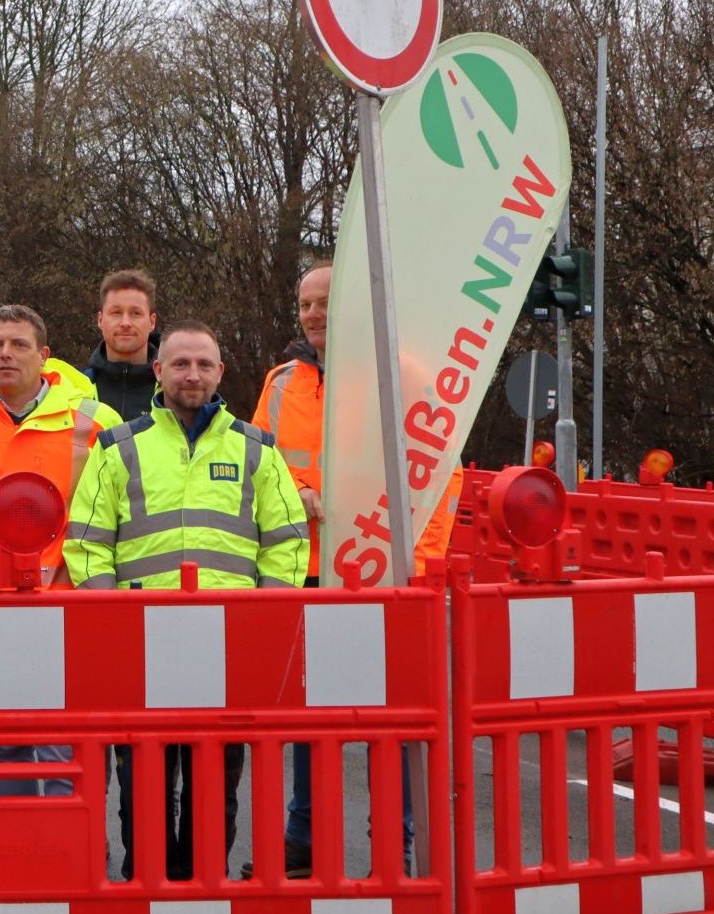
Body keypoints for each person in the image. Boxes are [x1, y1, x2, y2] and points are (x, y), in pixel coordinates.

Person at [66, 319, 309, 881]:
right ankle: (149, 884)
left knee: (213, 786)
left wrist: (260, 627)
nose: (192, 374)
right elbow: (87, 543)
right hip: (138, 646)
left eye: (203, 364)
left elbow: (287, 545)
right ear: (159, 370)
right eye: (180, 363)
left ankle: (203, 886)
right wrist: (110, 624)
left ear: (220, 372)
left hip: (226, 650)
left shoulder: (256, 450)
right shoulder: (117, 447)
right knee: (142, 787)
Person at [249, 259, 443, 877]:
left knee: (396, 715)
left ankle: (399, 842)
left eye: (326, 301)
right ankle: (305, 839)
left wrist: (418, 567)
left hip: (387, 577)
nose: (314, 314)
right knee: (311, 714)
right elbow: (259, 467)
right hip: (307, 572)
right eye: (306, 303)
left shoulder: (404, 375)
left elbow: (441, 479)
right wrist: (295, 495)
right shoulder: (280, 382)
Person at [0, 304, 122, 798]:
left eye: (19, 345)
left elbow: (114, 514)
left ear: (45, 356)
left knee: (68, 744)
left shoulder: (96, 423)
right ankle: (5, 855)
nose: (5, 354)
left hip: (71, 606)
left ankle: (73, 854)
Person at [83, 269, 160, 423]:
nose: (125, 323)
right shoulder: (77, 389)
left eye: (135, 313)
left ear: (152, 322)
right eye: (116, 313)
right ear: (100, 320)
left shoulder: (170, 391)